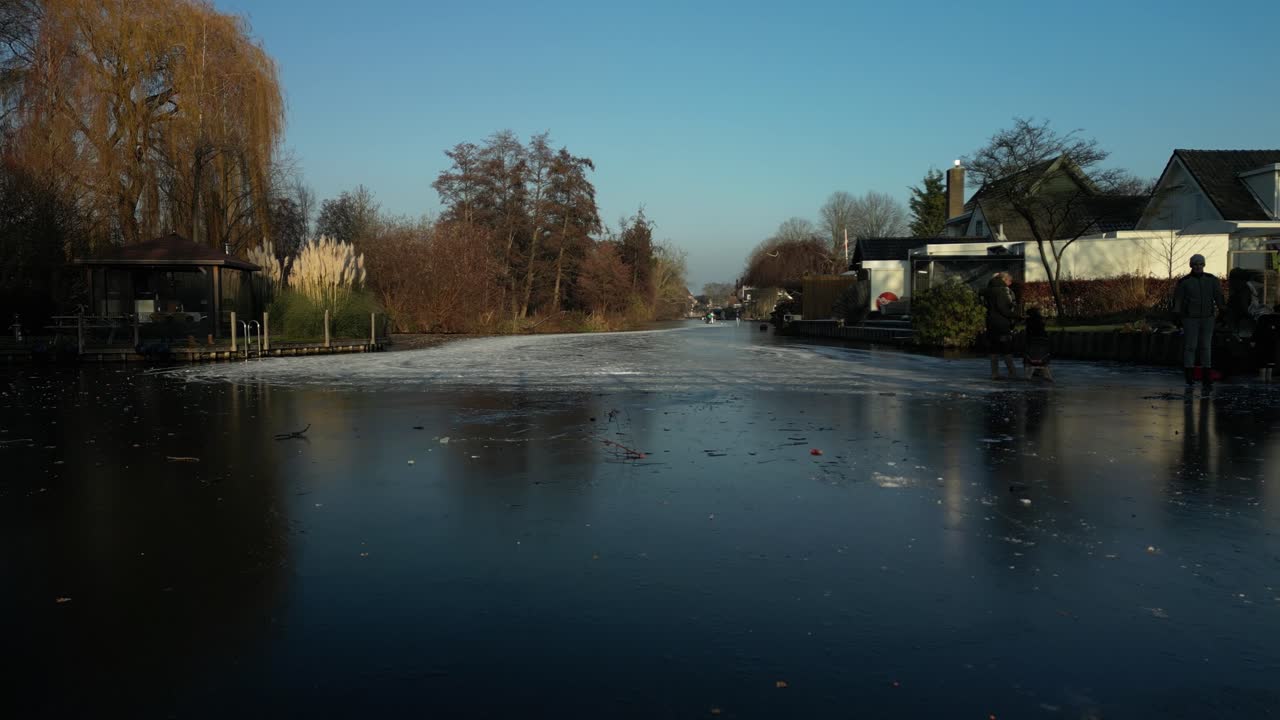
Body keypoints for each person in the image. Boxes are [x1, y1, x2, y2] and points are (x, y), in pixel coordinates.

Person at [1172, 254, 1226, 389]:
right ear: (1191, 265)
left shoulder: (1212, 280)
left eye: (1200, 264)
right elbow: (1178, 299)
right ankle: (1189, 375)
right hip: (1190, 318)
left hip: (1208, 317)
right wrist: (1177, 315)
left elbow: (1218, 296)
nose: (1197, 266)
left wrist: (1222, 310)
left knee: (1206, 346)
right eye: (1195, 264)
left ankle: (1206, 374)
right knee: (1190, 346)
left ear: (1204, 265)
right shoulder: (1184, 282)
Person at [983, 272, 1020, 380]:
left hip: (991, 322)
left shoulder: (989, 290)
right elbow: (1003, 308)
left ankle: (994, 373)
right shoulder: (1002, 291)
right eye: (1009, 280)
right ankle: (1012, 372)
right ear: (1004, 279)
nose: (1010, 283)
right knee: (1006, 348)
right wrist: (1015, 315)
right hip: (1002, 323)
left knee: (993, 348)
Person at [1023, 307, 1053, 381]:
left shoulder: (1029, 323)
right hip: (1043, 349)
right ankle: (1041, 373)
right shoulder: (1041, 323)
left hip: (1031, 348)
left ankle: (1029, 374)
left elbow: (1028, 338)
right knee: (1041, 356)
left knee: (1027, 356)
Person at [1252, 304, 1280, 382]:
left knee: (1262, 359)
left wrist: (1253, 340)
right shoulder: (1276, 319)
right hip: (1273, 342)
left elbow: (1257, 330)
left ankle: (1262, 377)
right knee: (1271, 359)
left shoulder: (1263, 318)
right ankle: (1268, 377)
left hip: (1262, 341)